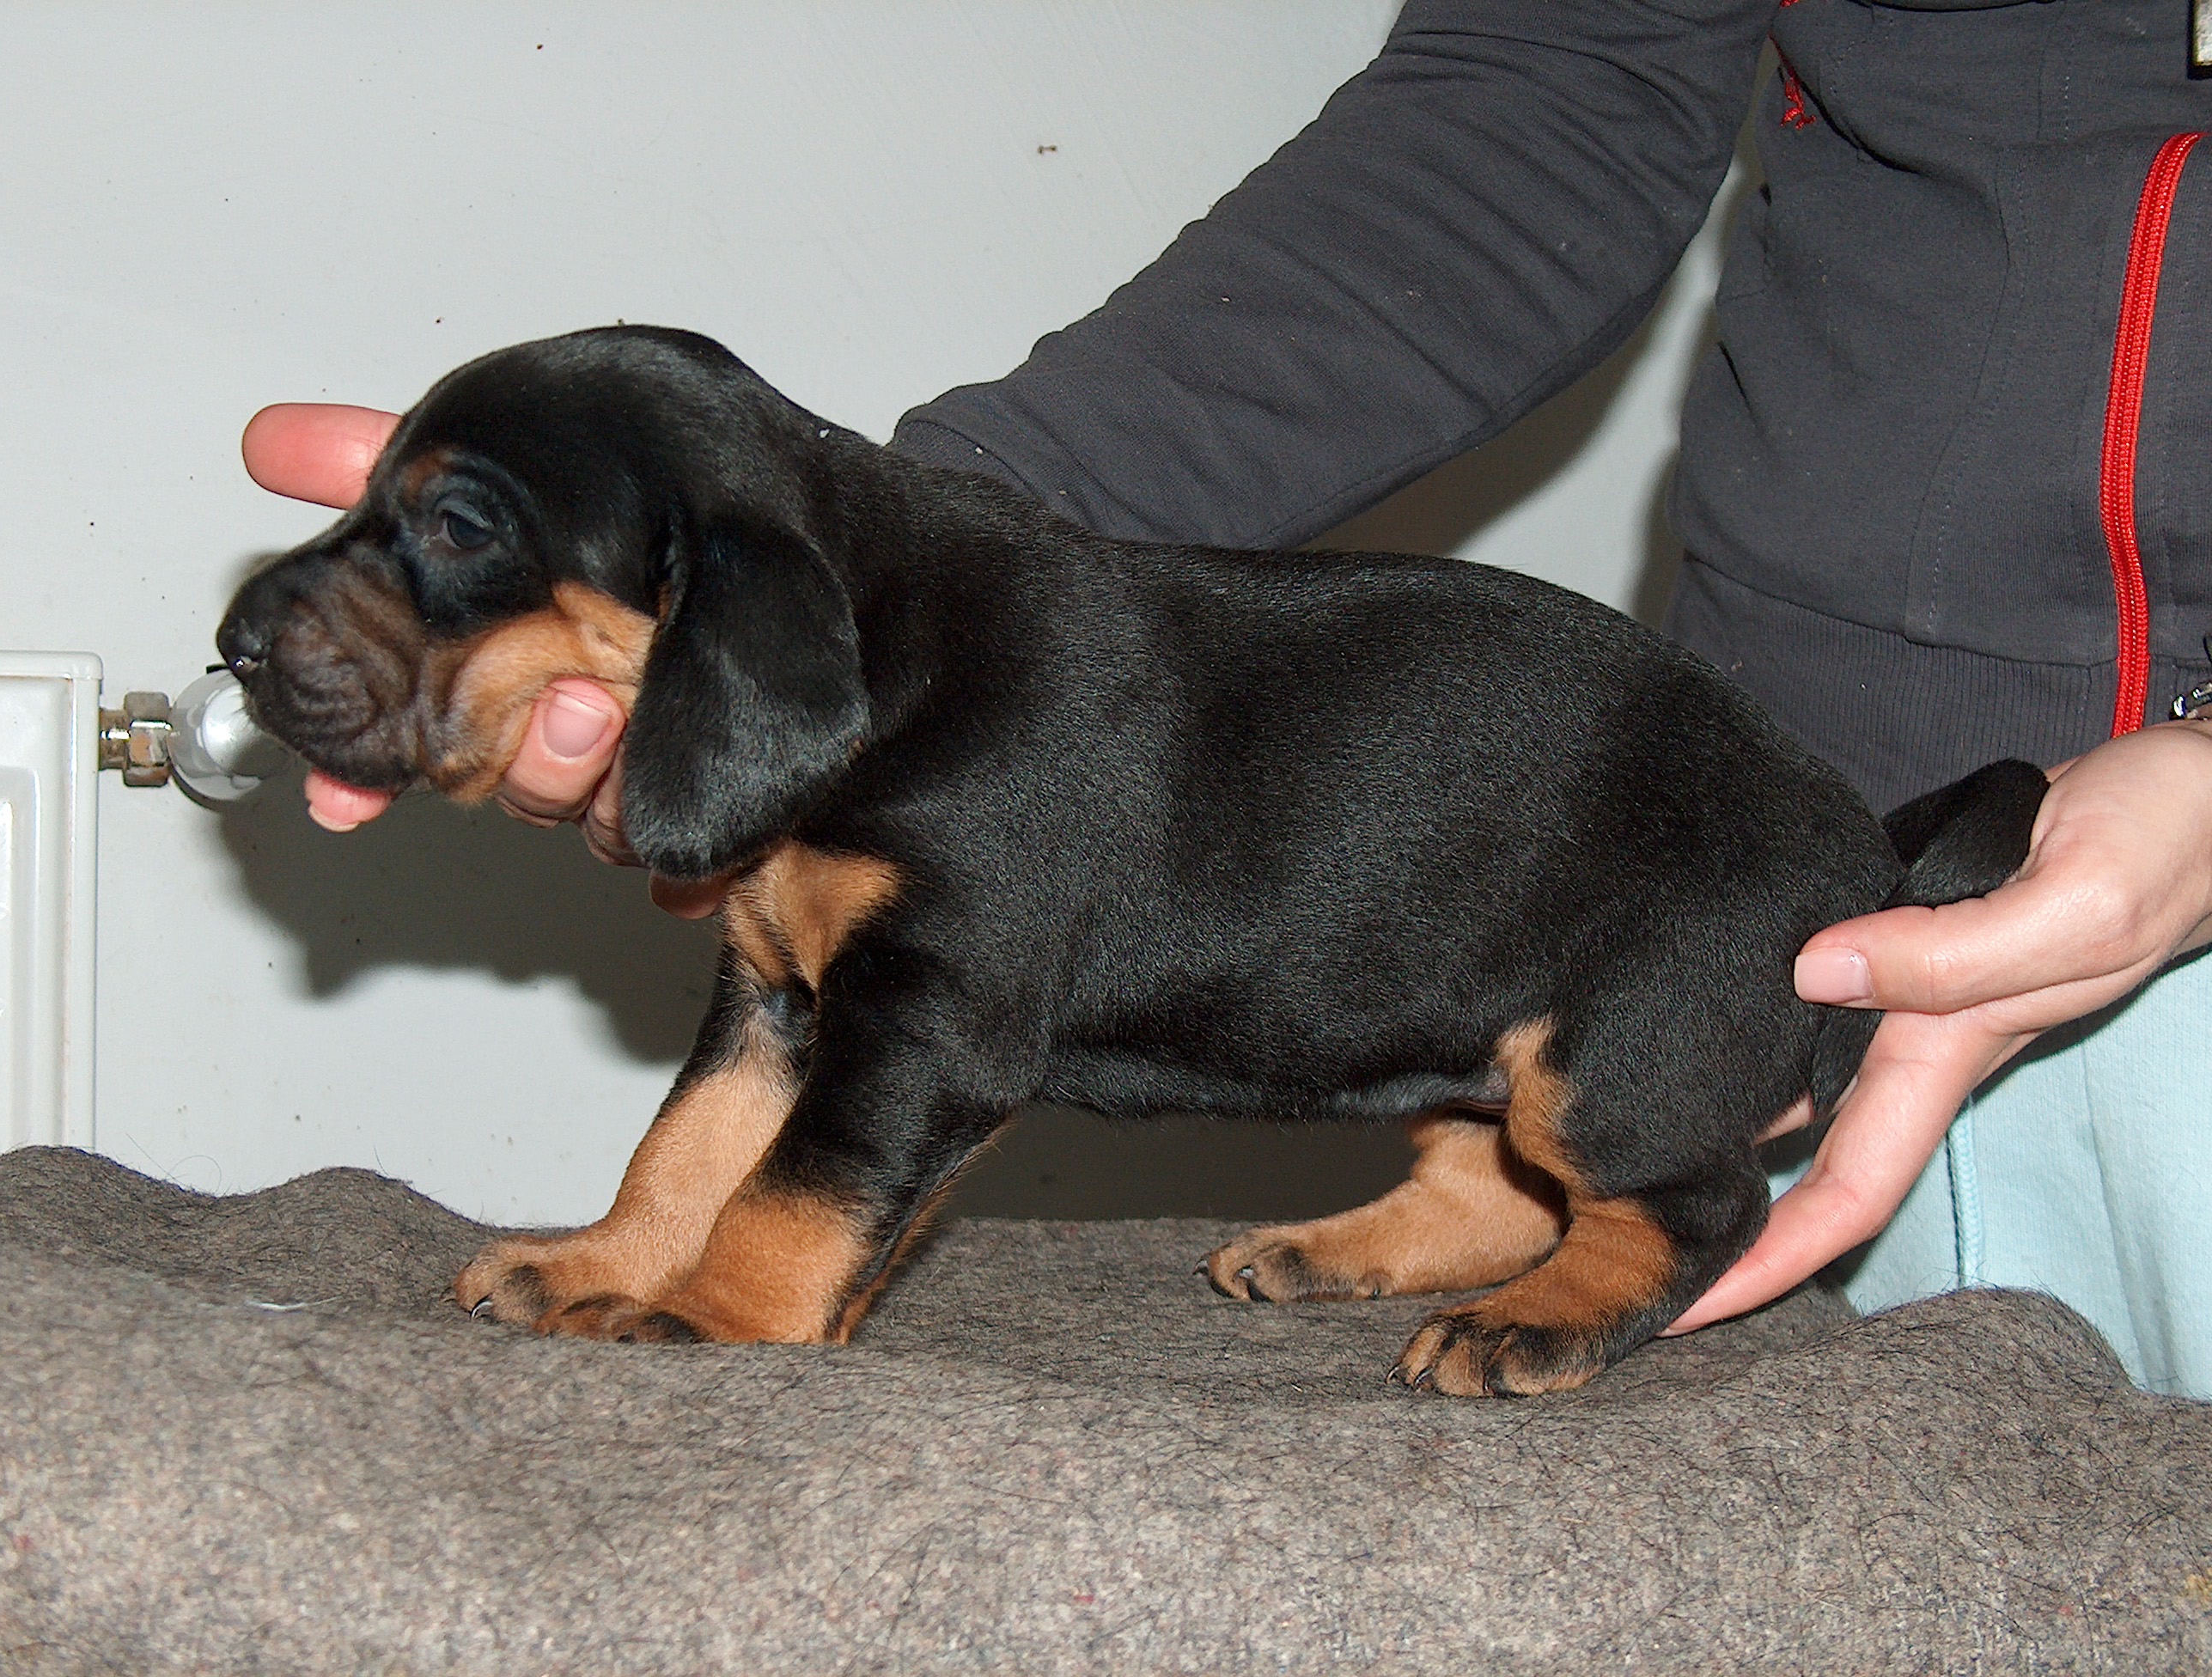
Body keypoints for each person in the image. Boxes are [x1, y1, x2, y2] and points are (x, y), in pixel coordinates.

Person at [242, 0, 2212, 1393]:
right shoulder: (853, 724)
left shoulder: (897, 781)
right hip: (1873, 842)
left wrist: (748, 1291)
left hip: (1733, 904)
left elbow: (916, 1049)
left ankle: (1621, 1214)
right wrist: (629, 1249)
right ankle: (1479, 1181)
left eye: (472, 534)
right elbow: (1552, 88)